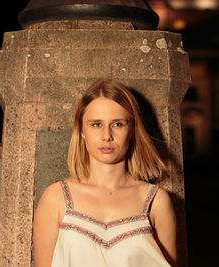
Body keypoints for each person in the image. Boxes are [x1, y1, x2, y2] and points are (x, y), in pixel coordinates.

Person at [33, 79, 177, 267]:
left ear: (132, 129)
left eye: (117, 124)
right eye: (96, 124)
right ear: (81, 130)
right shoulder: (56, 198)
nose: (107, 136)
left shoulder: (156, 201)